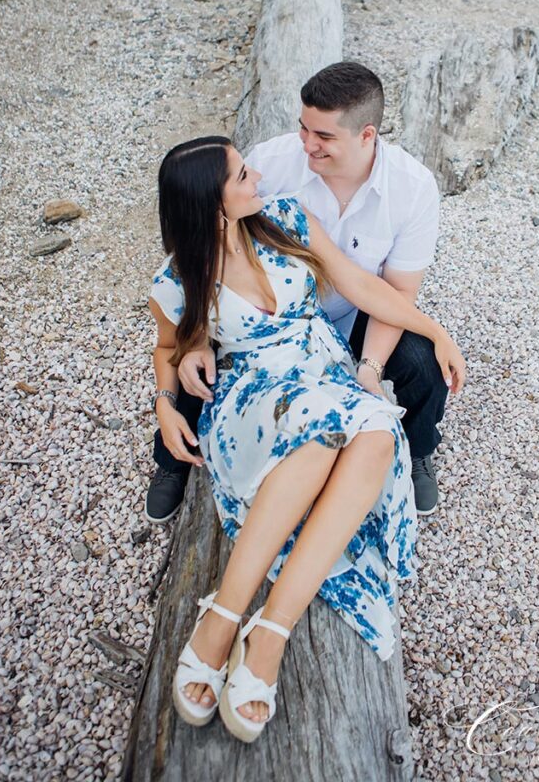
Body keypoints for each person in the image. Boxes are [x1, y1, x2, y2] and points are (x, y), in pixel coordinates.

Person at [148, 136, 465, 740]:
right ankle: (220, 620)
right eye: (243, 175)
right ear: (214, 207)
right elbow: (169, 349)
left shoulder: (287, 220)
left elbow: (363, 287)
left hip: (322, 371)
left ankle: (270, 630)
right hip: (255, 399)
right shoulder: (178, 279)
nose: (258, 175)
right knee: (327, 433)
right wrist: (167, 404)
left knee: (374, 435)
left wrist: (436, 330)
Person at [146, 61, 455, 526]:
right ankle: (172, 458)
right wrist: (188, 351)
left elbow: (387, 291)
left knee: (423, 362)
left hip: (351, 316)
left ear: (366, 135)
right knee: (196, 361)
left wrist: (377, 365)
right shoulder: (270, 164)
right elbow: (206, 229)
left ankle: (417, 448)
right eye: (303, 128)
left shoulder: (411, 190)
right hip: (259, 319)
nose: (307, 144)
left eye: (324, 137)